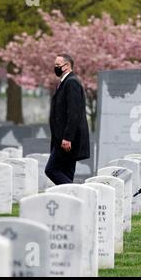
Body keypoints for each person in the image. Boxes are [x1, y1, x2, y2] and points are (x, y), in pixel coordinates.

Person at [45, 53, 90, 185]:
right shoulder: (65, 82)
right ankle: (71, 201)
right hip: (63, 139)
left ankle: (77, 193)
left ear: (67, 66)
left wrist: (68, 137)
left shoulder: (71, 83)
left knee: (51, 170)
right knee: (66, 172)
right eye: (55, 65)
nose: (56, 68)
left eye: (58, 65)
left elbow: (74, 112)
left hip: (67, 140)